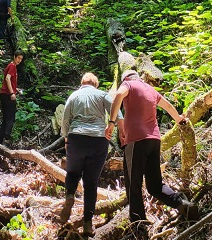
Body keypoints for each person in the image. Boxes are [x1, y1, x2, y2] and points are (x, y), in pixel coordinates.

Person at [105, 70, 195, 230]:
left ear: (126, 79)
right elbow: (167, 105)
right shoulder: (150, 89)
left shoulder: (128, 85)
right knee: (155, 185)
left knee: (134, 185)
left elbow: (118, 95)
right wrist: (179, 119)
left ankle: (139, 226)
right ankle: (182, 204)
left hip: (136, 141)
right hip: (154, 140)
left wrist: (111, 122)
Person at [58, 73, 119, 237]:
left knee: (72, 172)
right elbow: (117, 112)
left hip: (76, 137)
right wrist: (113, 126)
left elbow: (65, 119)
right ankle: (87, 224)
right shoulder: (102, 95)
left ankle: (70, 195)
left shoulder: (74, 95)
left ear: (81, 83)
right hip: (99, 140)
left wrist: (66, 137)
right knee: (91, 182)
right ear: (96, 84)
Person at [0, 51, 24, 145]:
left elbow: (9, 80)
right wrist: (12, 93)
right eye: (18, 58)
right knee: (10, 119)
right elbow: (7, 78)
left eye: (21, 59)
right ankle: (6, 139)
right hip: (8, 95)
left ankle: (0, 139)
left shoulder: (10, 66)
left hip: (4, 93)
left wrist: (15, 89)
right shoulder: (12, 66)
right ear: (14, 57)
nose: (19, 60)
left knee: (5, 118)